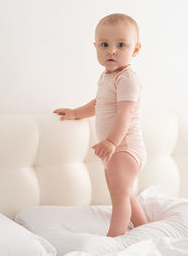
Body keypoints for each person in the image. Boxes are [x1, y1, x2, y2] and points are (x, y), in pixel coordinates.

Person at [53, 13, 148, 237]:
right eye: (104, 44)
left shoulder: (128, 78)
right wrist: (76, 113)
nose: (111, 50)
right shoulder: (107, 76)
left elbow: (126, 112)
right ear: (95, 47)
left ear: (135, 50)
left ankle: (114, 238)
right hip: (113, 150)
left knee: (119, 196)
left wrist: (111, 142)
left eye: (121, 45)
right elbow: (100, 104)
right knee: (122, 192)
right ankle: (144, 227)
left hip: (125, 147)